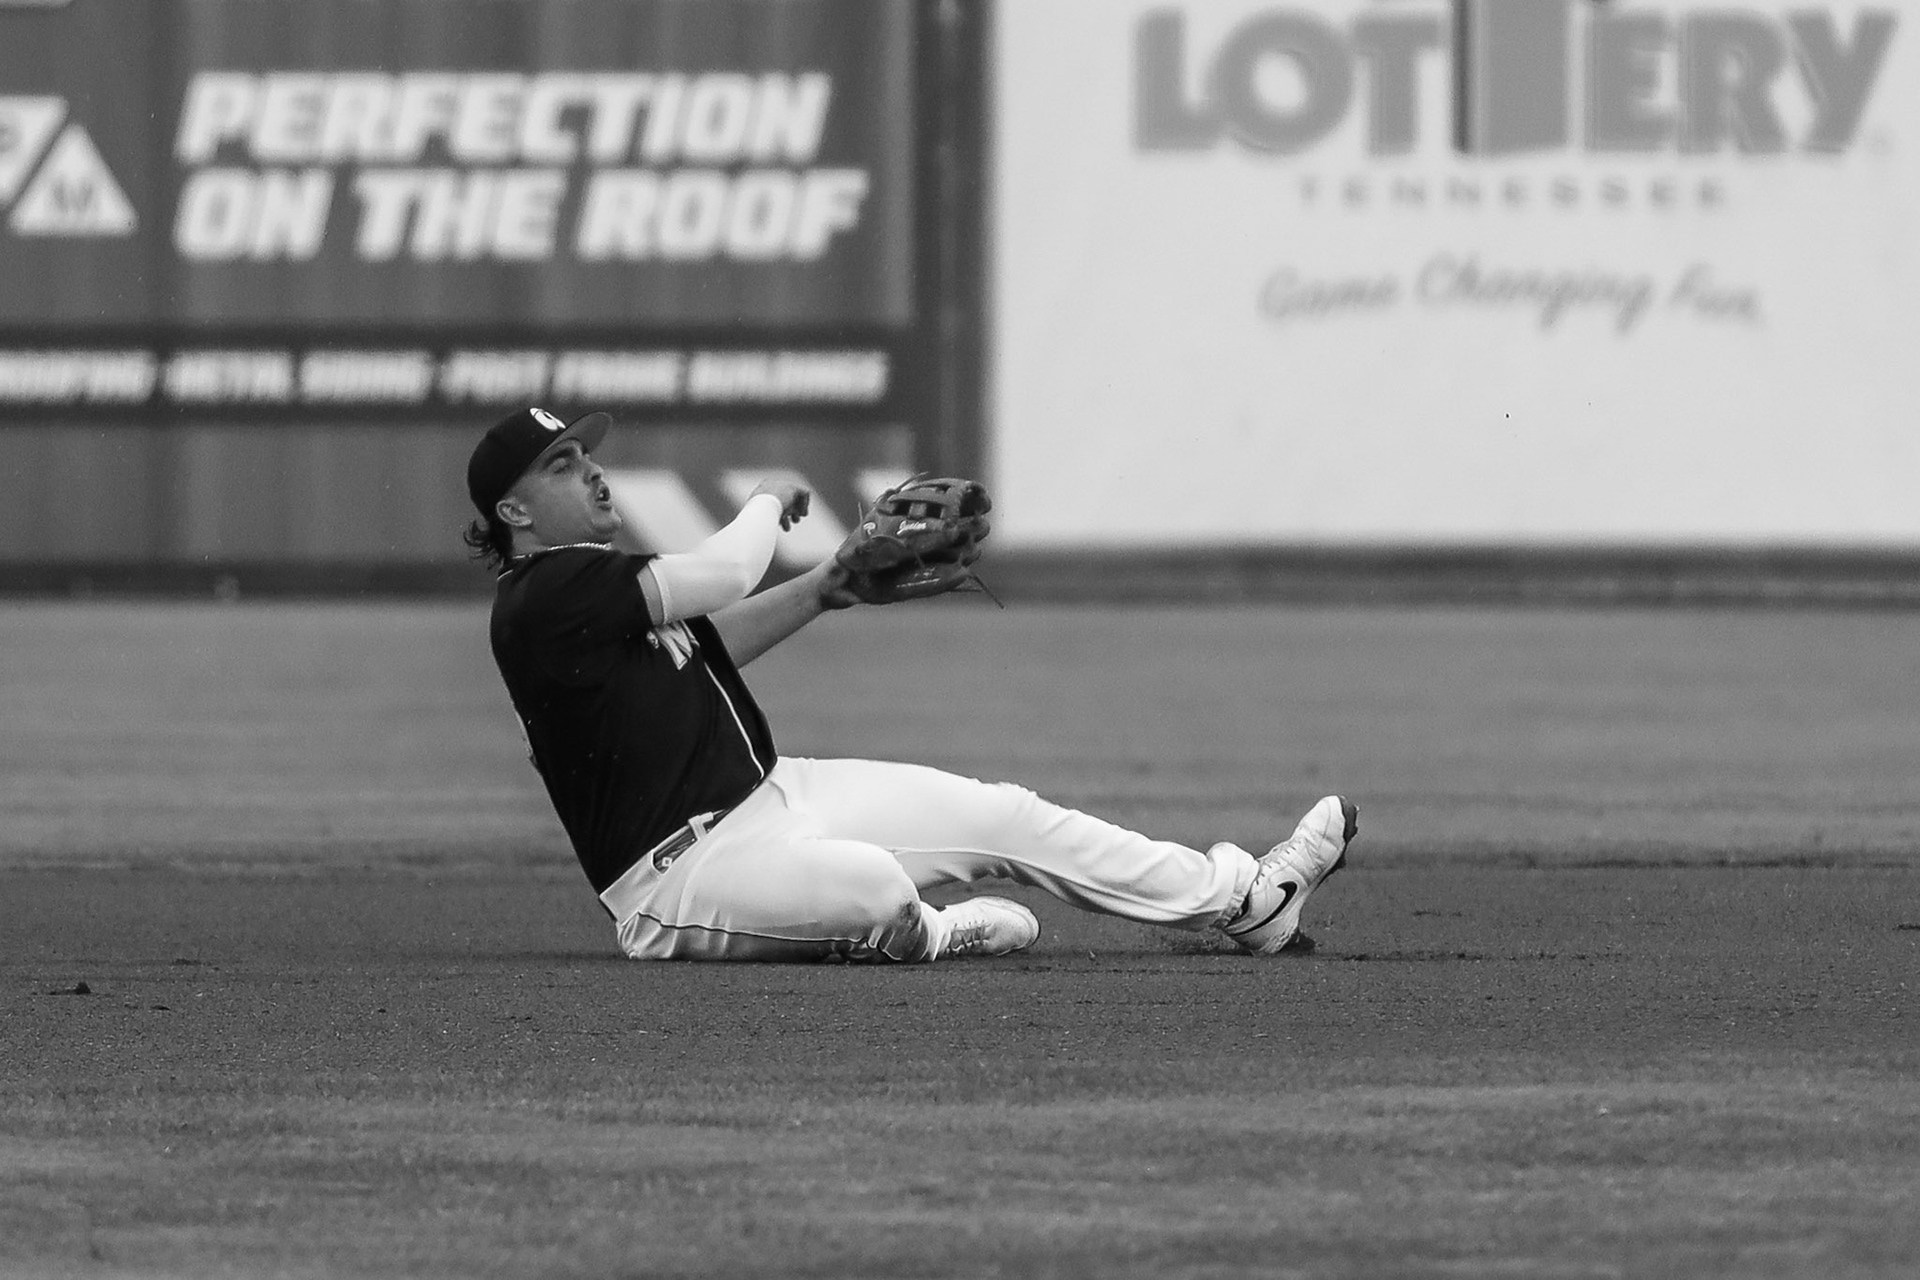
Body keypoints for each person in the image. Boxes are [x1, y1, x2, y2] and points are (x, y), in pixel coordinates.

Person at [464, 406, 1358, 963]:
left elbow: (706, 648)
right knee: (875, 887)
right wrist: (769, 497)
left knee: (1004, 814)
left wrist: (825, 589)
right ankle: (936, 932)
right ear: (513, 512)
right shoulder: (545, 593)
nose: (591, 470)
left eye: (584, 453)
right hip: (683, 877)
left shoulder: (584, 591)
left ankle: (1243, 900)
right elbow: (729, 573)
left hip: (775, 795)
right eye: (561, 465)